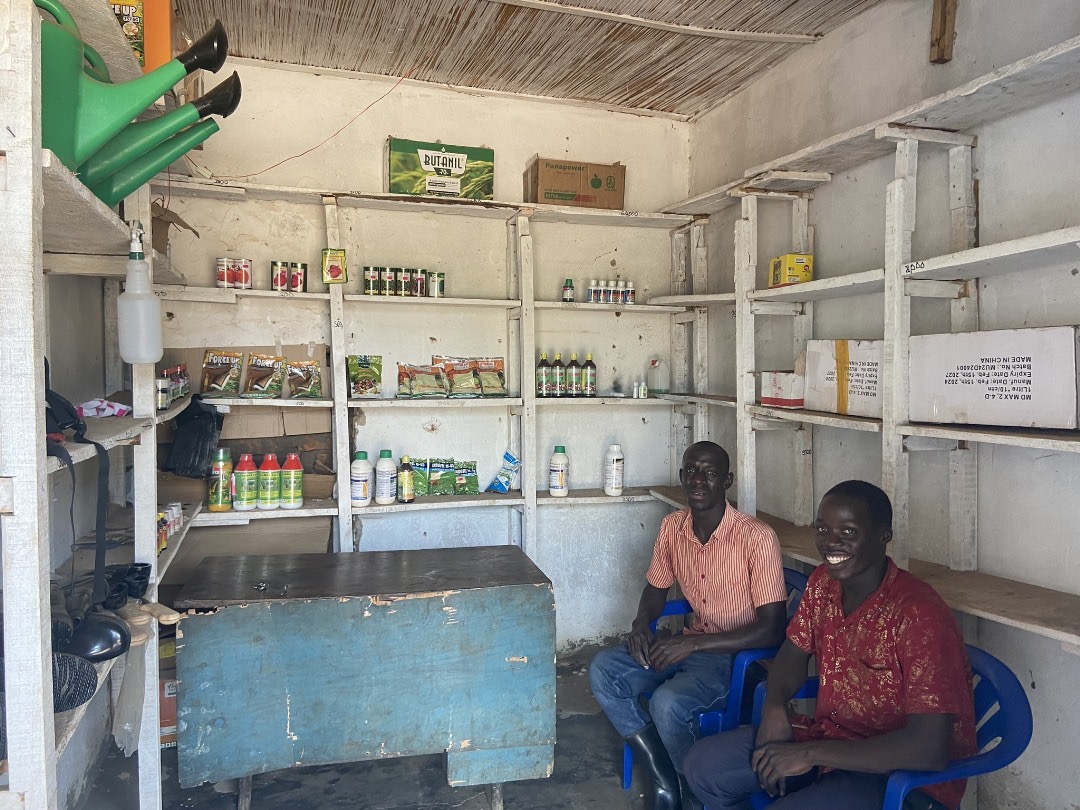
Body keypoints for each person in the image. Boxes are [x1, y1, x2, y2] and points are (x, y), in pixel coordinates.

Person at [683, 480, 977, 810]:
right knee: (704, 766)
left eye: (848, 532)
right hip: (830, 742)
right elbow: (792, 653)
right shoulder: (824, 583)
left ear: (884, 536)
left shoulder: (918, 614)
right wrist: (774, 708)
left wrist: (809, 753)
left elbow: (929, 750)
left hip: (899, 779)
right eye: (823, 529)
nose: (830, 542)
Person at [589, 441, 788, 810]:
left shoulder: (756, 537)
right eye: (691, 471)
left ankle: (696, 792)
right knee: (605, 670)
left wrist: (693, 644)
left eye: (710, 473)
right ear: (682, 476)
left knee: (669, 704)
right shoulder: (673, 527)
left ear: (727, 480)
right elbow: (656, 589)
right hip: (691, 646)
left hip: (739, 660)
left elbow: (772, 630)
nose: (698, 480)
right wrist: (641, 625)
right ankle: (665, 776)